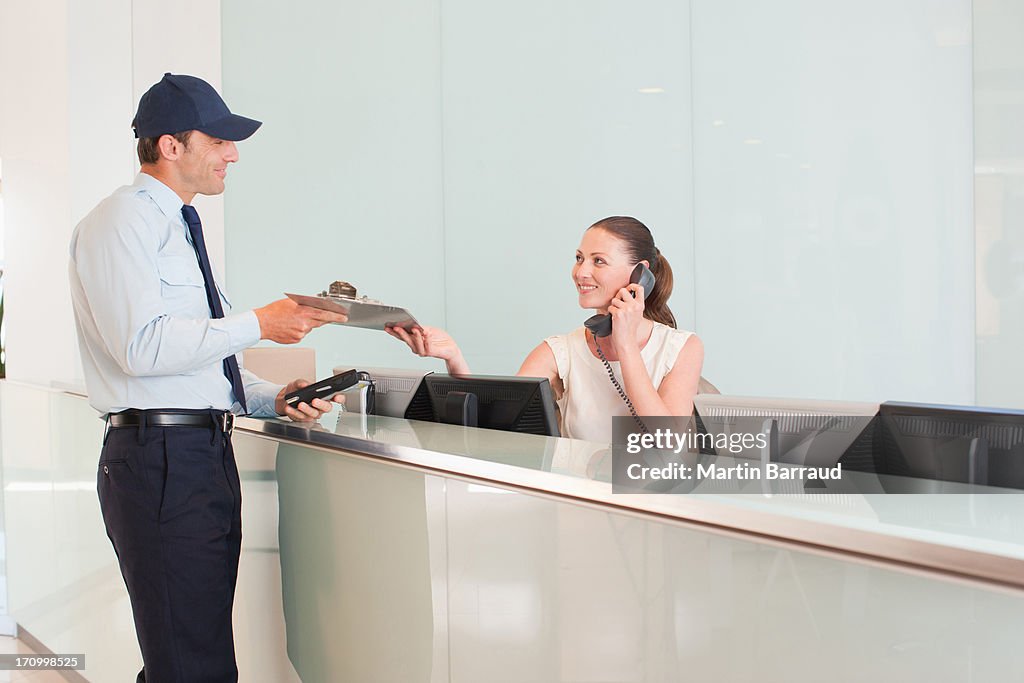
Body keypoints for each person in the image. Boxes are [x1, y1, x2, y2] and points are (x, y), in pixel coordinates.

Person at [68, 73, 347, 683]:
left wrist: (276, 398)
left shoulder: (181, 227)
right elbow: (141, 349)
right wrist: (260, 323)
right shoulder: (122, 222)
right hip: (160, 457)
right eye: (219, 140)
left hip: (201, 452)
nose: (233, 154)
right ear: (171, 146)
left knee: (193, 654)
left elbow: (196, 362)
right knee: (192, 664)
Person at [387, 216, 704, 442]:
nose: (581, 272)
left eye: (599, 261)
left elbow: (667, 440)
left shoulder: (683, 348)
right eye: (579, 258)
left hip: (655, 514)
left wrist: (625, 344)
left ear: (639, 274)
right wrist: (453, 357)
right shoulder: (559, 351)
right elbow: (495, 423)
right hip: (578, 506)